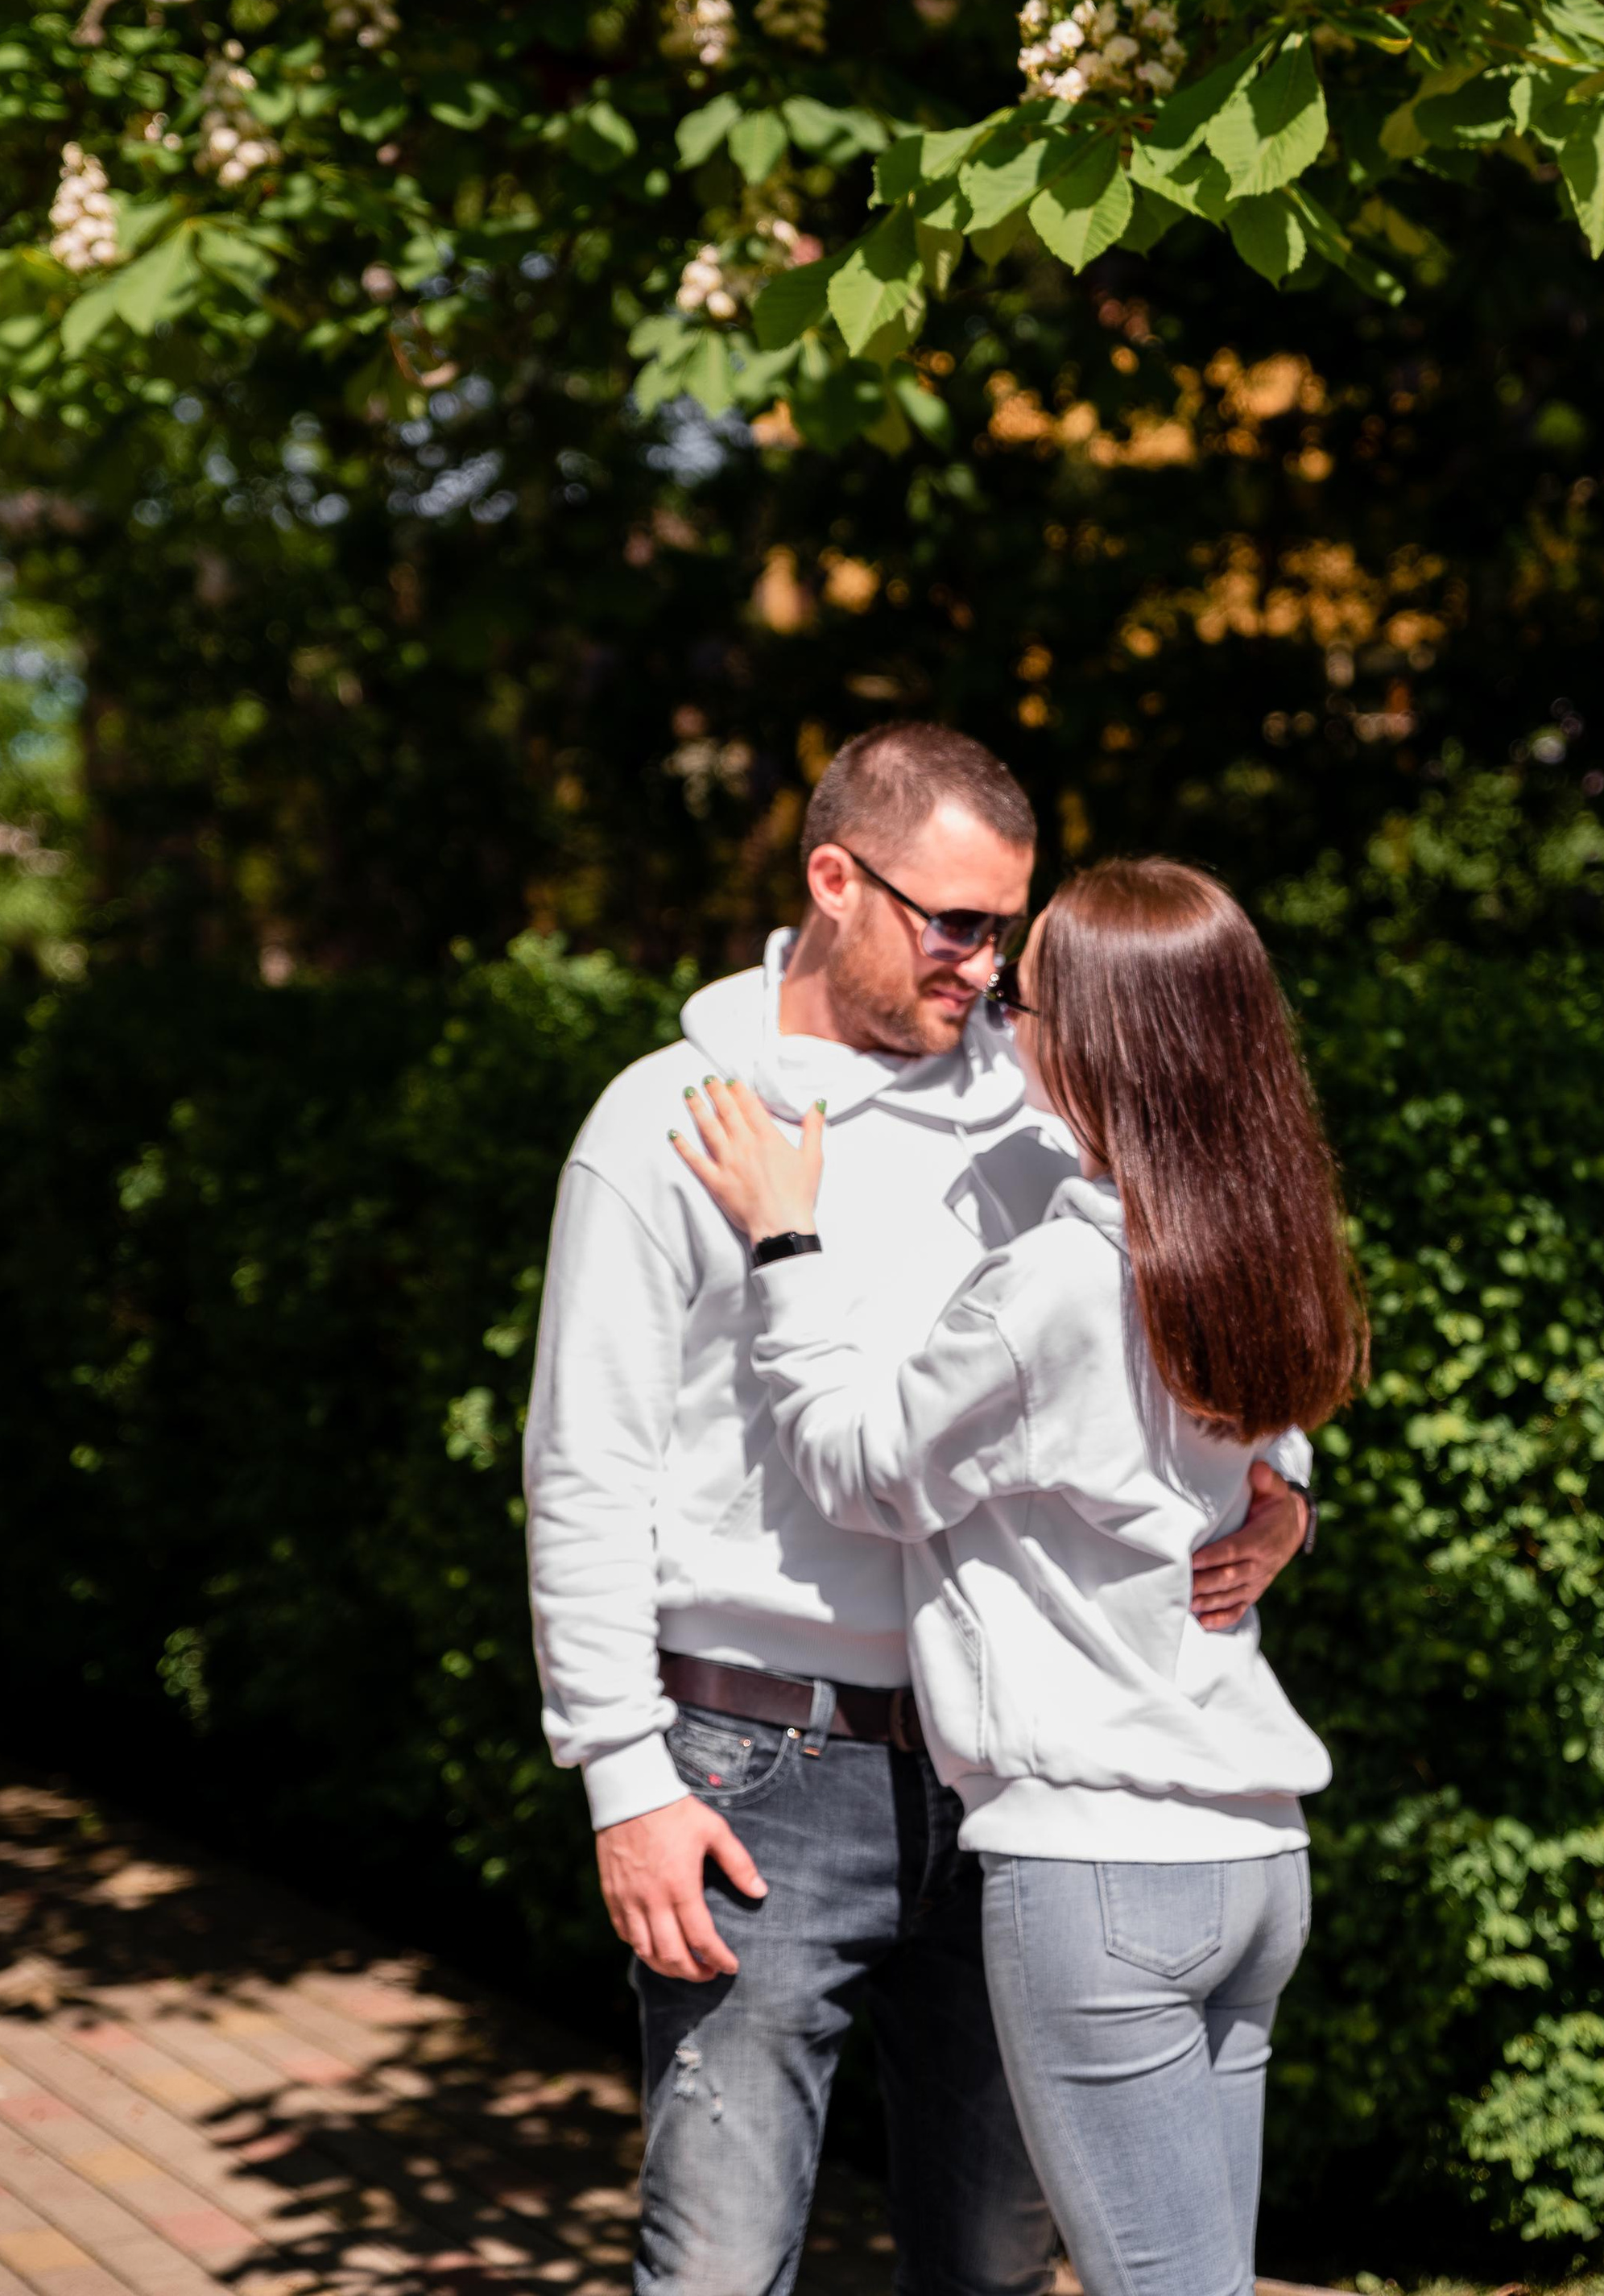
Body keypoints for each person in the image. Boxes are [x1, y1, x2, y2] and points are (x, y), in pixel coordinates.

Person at [523, 730, 1315, 2296]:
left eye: (1003, 928)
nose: (984, 966)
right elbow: (584, 1467)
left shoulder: (1045, 1108)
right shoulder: (667, 1119)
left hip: (1017, 1790)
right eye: (951, 922)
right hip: (755, 1771)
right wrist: (621, 1774)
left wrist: (1283, 1478)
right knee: (718, 2271)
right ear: (831, 880)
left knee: (993, 2269)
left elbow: (1203, 1264)